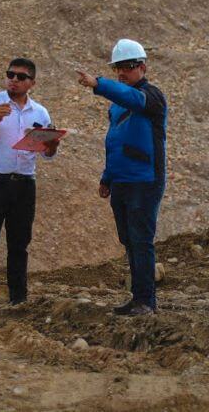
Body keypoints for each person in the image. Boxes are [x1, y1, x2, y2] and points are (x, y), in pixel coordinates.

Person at [76, 39, 167, 316]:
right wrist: (107, 177)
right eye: (117, 68)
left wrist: (99, 84)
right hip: (123, 181)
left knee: (141, 240)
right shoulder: (116, 105)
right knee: (129, 239)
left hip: (144, 180)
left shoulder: (151, 96)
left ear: (142, 66)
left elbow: (132, 99)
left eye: (126, 67)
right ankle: (137, 297)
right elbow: (114, 141)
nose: (121, 73)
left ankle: (146, 301)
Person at [0, 57, 60, 309]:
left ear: (32, 83)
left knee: (19, 244)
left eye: (21, 77)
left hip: (24, 184)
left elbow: (47, 156)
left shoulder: (39, 112)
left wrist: (51, 145)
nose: (14, 80)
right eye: (11, 74)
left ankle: (18, 299)